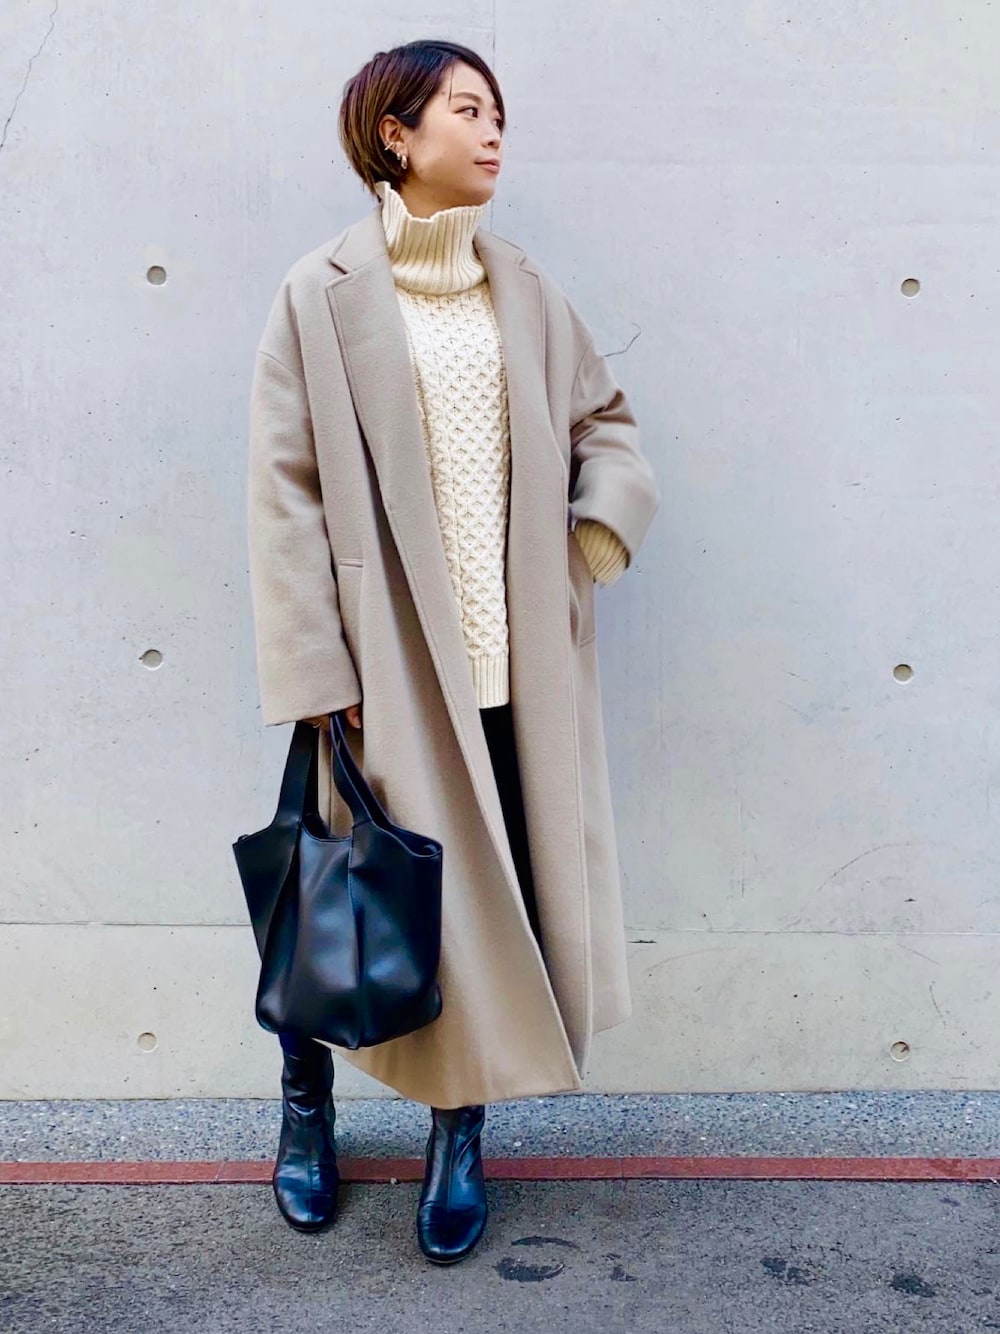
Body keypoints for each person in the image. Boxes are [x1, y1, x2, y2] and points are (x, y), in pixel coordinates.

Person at [246, 38, 660, 1265]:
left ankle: (457, 1133)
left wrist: (596, 527)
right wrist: (319, 675)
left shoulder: (521, 287)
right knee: (336, 892)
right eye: (467, 111)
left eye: (498, 116)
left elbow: (604, 420)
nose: (492, 135)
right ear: (396, 133)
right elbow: (284, 490)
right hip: (381, 670)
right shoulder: (318, 292)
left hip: (515, 665)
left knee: (487, 911)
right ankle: (305, 1104)